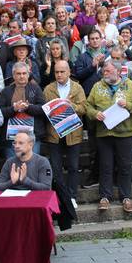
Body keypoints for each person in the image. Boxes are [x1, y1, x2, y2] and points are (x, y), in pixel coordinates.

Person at [86, 60, 132, 213]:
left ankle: (126, 197)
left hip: (125, 133)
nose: (105, 73)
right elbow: (87, 105)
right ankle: (105, 197)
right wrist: (94, 113)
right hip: (104, 134)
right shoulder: (97, 86)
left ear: (118, 72)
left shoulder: (129, 85)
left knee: (125, 166)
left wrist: (128, 105)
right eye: (104, 71)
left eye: (108, 71)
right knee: (105, 166)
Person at [43, 60, 87, 206]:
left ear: (69, 72)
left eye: (62, 72)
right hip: (54, 134)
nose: (59, 74)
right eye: (57, 72)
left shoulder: (77, 88)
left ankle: (72, 196)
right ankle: (61, 197)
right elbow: (43, 110)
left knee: (73, 166)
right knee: (56, 168)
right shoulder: (48, 89)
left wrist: (70, 105)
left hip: (73, 133)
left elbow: (84, 109)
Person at [0, 62, 46, 157]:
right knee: (13, 166)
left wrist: (29, 107)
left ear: (28, 75)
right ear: (13, 75)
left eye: (24, 73)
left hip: (32, 136)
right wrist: (14, 109)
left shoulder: (36, 89)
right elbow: (0, 112)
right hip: (12, 137)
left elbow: (43, 108)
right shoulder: (6, 91)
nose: (21, 76)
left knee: (32, 166)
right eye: (18, 74)